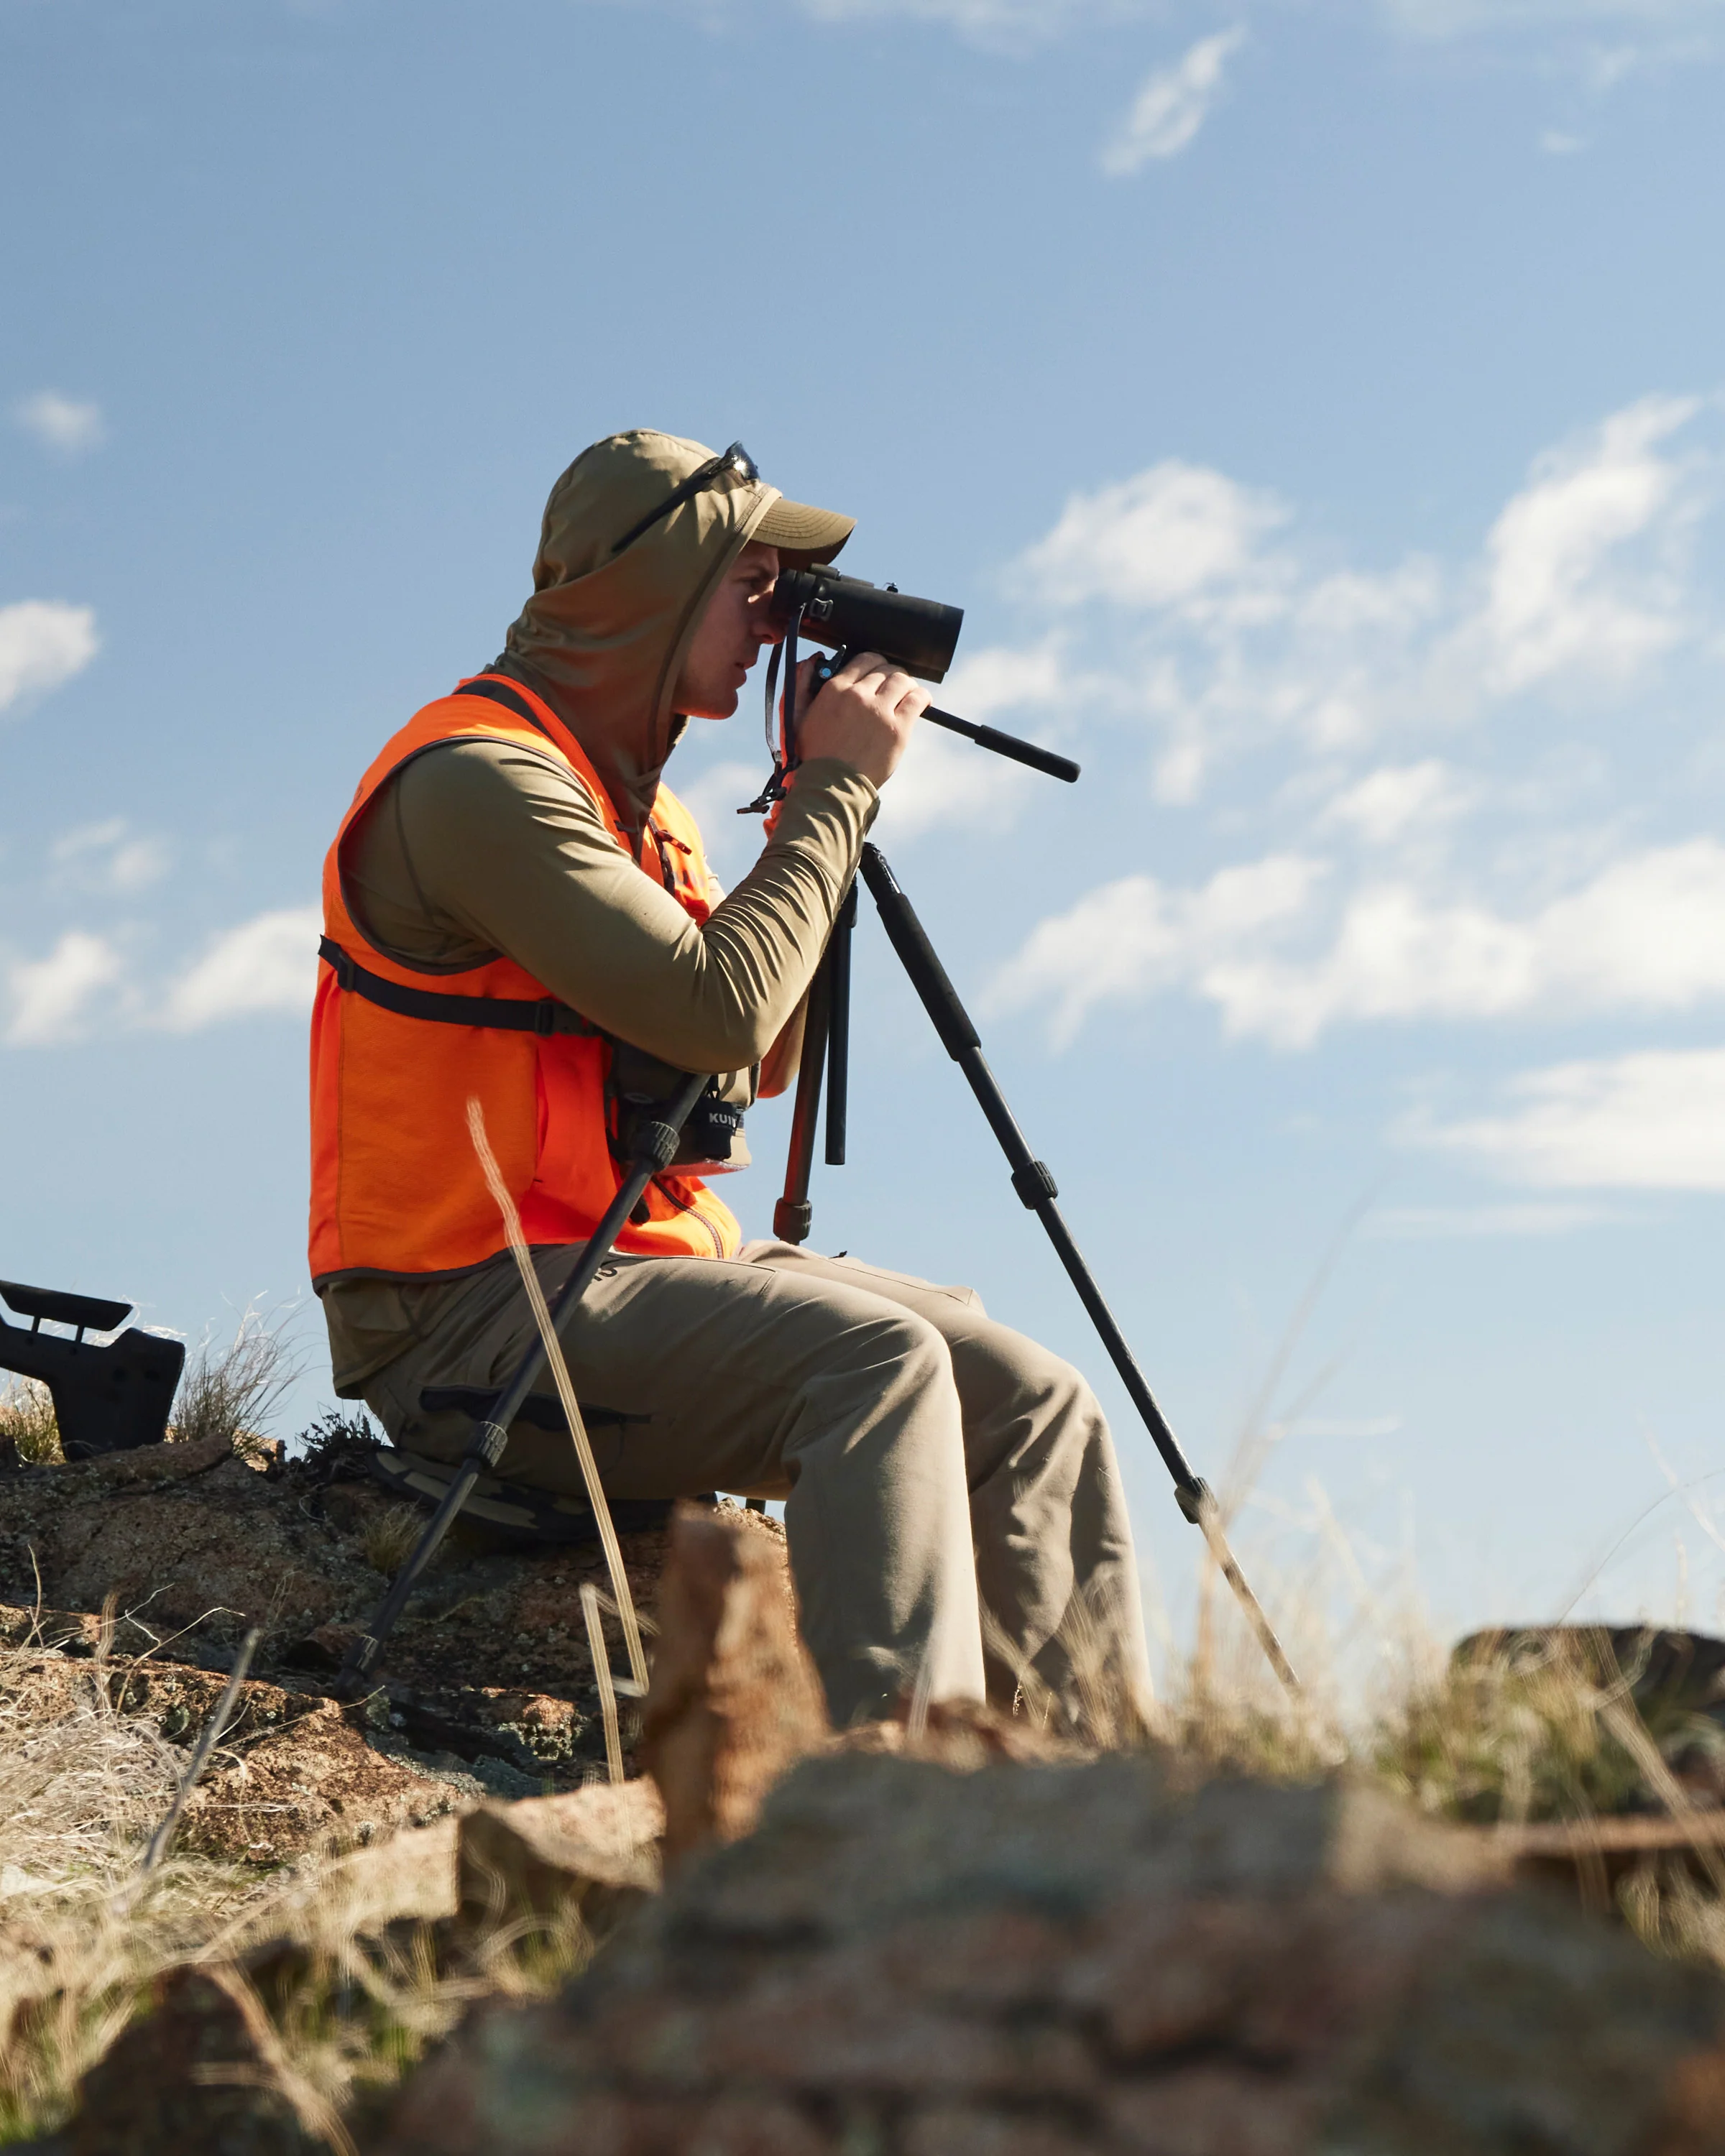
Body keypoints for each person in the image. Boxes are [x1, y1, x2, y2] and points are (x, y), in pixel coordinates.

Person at [310, 429, 1150, 1729]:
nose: (779, 622)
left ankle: (1091, 1828)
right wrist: (828, 798)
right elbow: (718, 1008)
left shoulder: (649, 815)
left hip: (634, 1260)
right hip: (465, 1309)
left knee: (1033, 1402)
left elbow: (749, 1065)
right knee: (873, 1362)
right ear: (646, 586)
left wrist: (810, 817)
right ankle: (901, 1815)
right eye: (753, 584)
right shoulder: (478, 781)